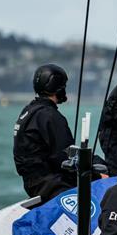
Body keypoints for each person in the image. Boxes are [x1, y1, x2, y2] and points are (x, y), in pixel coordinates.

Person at [13, 64, 77, 201]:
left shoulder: (29, 110)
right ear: (58, 88)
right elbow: (66, 157)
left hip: (32, 184)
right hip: (53, 186)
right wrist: (97, 174)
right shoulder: (50, 116)